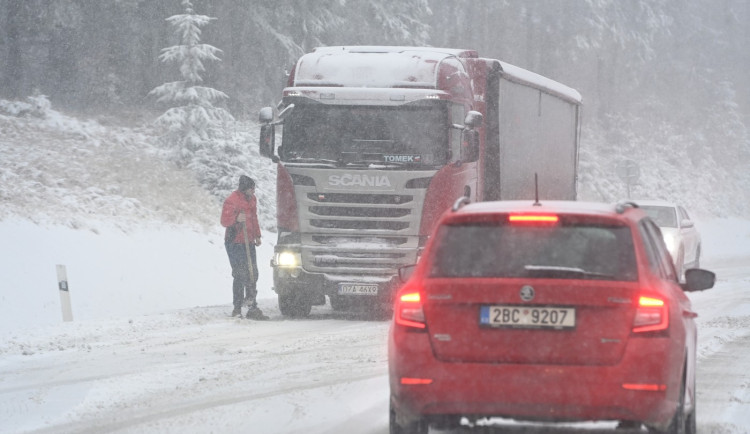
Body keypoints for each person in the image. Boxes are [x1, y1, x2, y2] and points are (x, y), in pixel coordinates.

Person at [220, 175, 267, 319]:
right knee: (240, 274)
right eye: (251, 189)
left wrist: (257, 235)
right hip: (235, 242)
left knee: (253, 273)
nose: (253, 191)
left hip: (249, 241)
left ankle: (252, 305)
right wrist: (236, 219)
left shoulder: (252, 200)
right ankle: (237, 309)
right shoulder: (232, 200)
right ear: (244, 188)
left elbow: (254, 218)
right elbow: (224, 221)